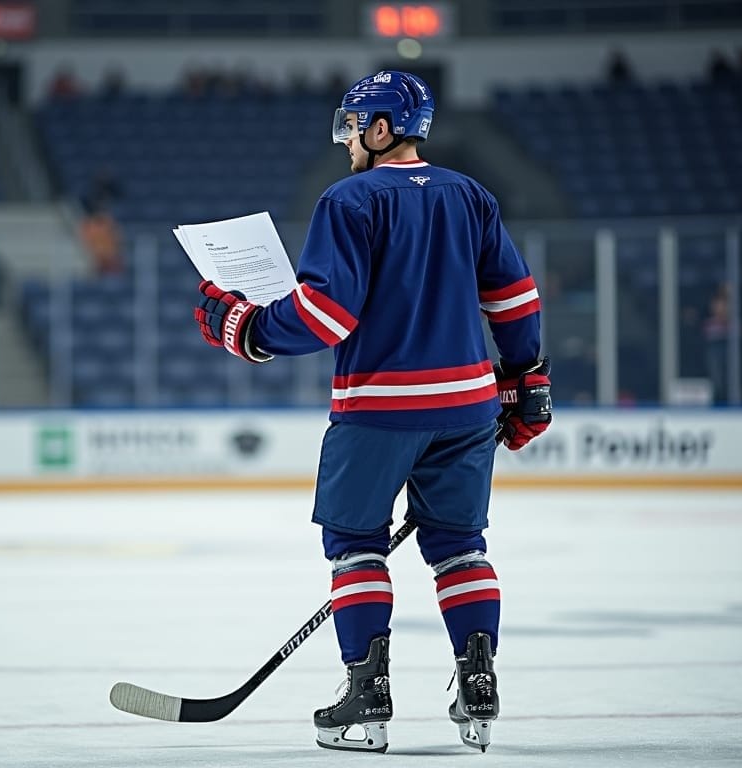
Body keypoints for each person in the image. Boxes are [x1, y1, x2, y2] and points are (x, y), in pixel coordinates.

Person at [194, 71, 551, 753]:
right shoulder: (469, 194)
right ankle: (479, 685)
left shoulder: (349, 198)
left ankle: (367, 697)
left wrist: (244, 325)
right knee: (459, 547)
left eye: (354, 126)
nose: (348, 140)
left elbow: (326, 314)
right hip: (468, 406)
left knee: (355, 546)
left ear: (382, 128)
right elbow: (514, 300)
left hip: (380, 409)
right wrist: (525, 379)